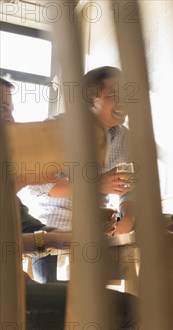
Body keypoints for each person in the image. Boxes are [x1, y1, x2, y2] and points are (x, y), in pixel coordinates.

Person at [2, 76, 138, 330]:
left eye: (12, 110)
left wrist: (75, 236)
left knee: (119, 312)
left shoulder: (124, 140)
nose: (12, 121)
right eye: (4, 110)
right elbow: (45, 190)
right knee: (124, 312)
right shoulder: (56, 131)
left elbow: (28, 231)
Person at [26, 66, 135, 283]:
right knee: (55, 304)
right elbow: (36, 184)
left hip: (95, 236)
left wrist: (127, 219)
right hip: (50, 234)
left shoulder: (124, 138)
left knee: (108, 301)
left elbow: (130, 191)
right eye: (114, 95)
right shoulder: (57, 127)